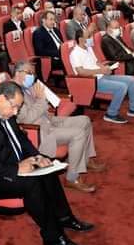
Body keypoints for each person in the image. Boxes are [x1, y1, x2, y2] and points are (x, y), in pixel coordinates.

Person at [0, 81, 94, 245]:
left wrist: (38, 157)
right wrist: (16, 169)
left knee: (48, 169)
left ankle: (65, 218)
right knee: (32, 183)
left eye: (18, 107)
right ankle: (54, 237)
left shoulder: (4, 111)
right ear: (2, 98)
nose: (16, 112)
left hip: (6, 164)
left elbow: (21, 139)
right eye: (14, 107)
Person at [11, 61, 105, 193]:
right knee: (78, 133)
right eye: (29, 73)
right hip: (39, 132)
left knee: (85, 120)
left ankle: (85, 159)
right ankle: (72, 178)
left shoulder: (25, 87)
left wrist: (44, 105)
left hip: (47, 121)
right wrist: (41, 100)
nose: (32, 76)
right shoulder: (13, 91)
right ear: (18, 73)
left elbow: (36, 108)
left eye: (33, 73)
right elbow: (26, 119)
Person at [71, 30, 134, 124]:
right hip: (92, 81)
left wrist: (105, 68)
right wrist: (101, 71)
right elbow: (81, 72)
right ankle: (111, 114)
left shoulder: (88, 48)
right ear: (80, 39)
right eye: (88, 37)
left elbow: (96, 62)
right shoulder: (75, 53)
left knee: (132, 80)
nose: (91, 38)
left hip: (101, 75)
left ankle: (133, 109)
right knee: (122, 87)